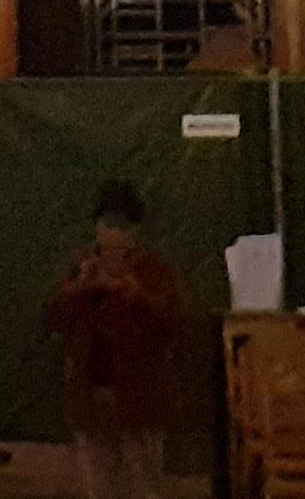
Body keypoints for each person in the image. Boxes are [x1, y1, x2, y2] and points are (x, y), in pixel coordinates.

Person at [44, 181, 186, 499]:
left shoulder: (153, 268)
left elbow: (176, 324)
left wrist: (139, 294)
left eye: (123, 226)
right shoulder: (81, 266)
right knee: (98, 486)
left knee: (146, 487)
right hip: (90, 397)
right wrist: (79, 287)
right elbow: (50, 320)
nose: (115, 234)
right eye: (108, 224)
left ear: (136, 231)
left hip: (142, 398)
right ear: (96, 227)